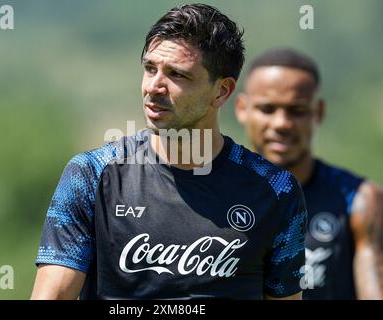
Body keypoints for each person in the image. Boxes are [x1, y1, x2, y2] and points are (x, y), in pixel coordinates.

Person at [31, 4, 307, 300]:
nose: (154, 86)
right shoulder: (92, 174)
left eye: (177, 75)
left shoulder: (276, 191)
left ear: (222, 91)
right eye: (150, 68)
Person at [235, 48, 383, 299]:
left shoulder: (361, 201)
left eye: (297, 111)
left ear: (319, 112)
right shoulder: (213, 194)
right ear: (242, 109)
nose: (281, 123)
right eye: (267, 109)